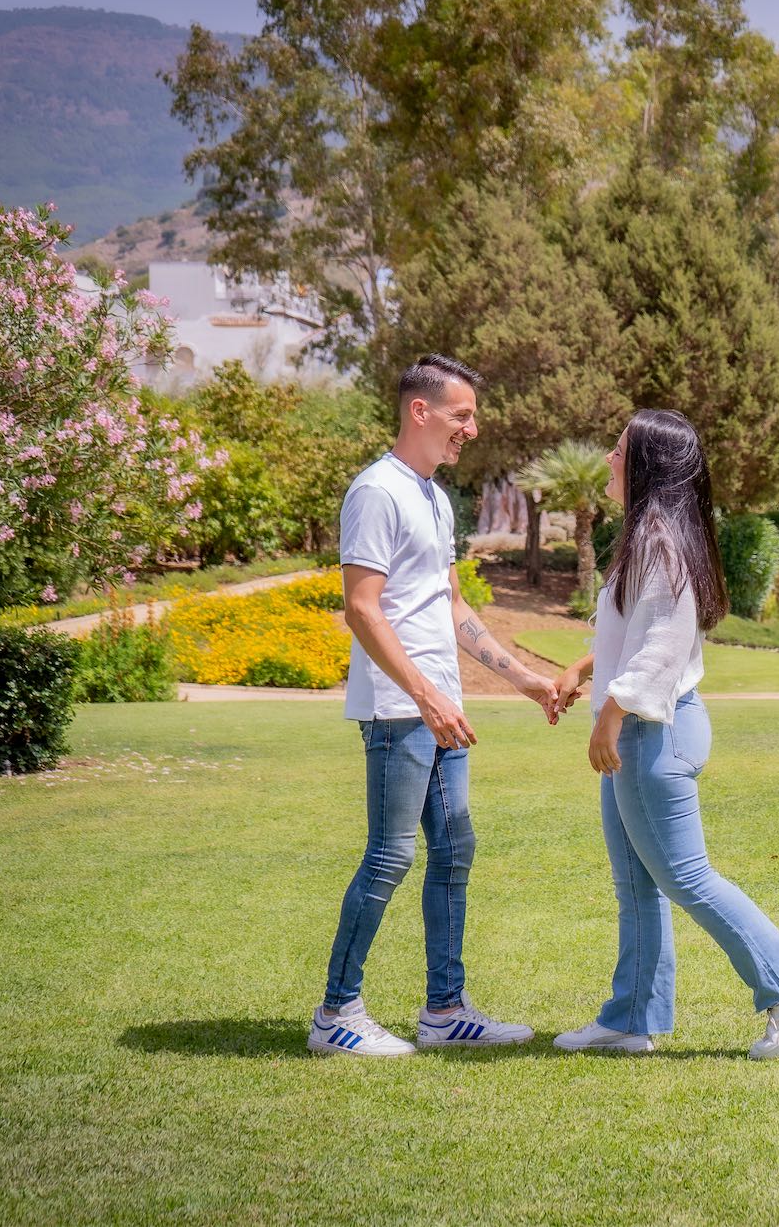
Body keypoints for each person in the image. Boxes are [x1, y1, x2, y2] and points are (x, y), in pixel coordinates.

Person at [549, 409, 779, 1060]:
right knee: (636, 881)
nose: (608, 459)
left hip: (653, 732)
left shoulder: (658, 541)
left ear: (646, 465)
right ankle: (630, 1019)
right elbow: (641, 631)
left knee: (686, 875)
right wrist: (583, 669)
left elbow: (664, 643)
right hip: (648, 728)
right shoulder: (652, 538)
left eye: (618, 449)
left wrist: (612, 712)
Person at [309, 354, 561, 1057]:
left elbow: (450, 607)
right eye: (462, 415)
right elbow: (362, 609)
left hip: (440, 713)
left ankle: (445, 1010)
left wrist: (526, 679)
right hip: (400, 711)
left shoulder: (435, 497)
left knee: (454, 849)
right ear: (420, 411)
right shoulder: (376, 491)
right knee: (390, 855)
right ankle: (336, 1013)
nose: (471, 430)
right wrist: (424, 697)